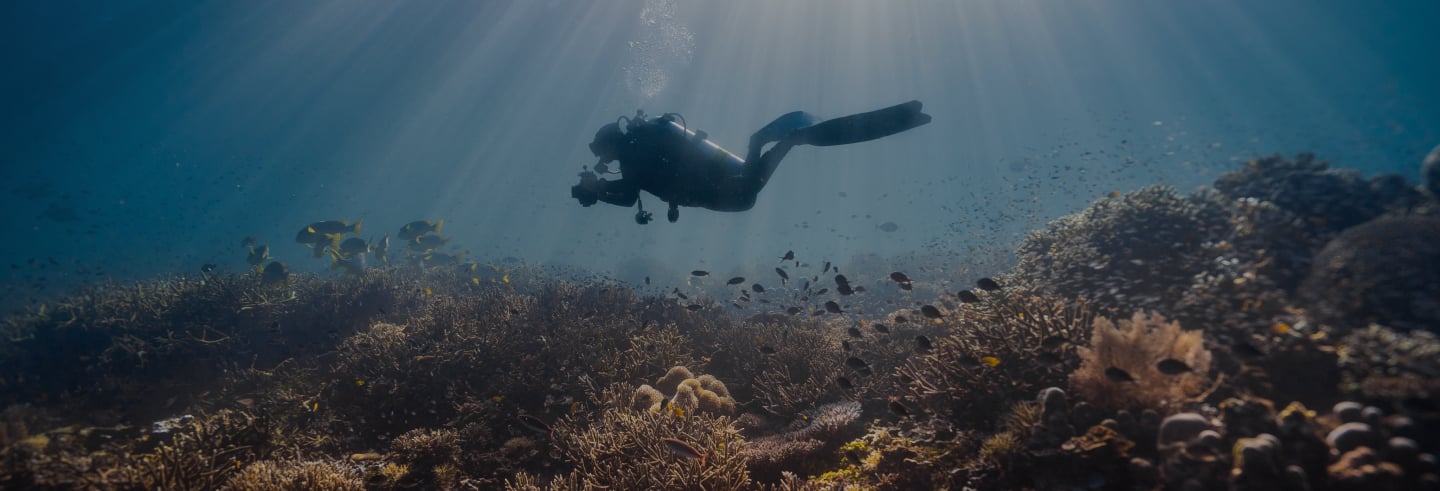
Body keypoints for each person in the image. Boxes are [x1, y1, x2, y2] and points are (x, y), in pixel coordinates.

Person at [571, 100, 931, 223]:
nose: (602, 160)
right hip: (736, 181)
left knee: (784, 143)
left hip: (733, 196)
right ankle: (805, 130)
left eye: (601, 151)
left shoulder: (634, 154)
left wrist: (596, 190)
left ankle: (798, 135)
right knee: (771, 141)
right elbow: (630, 191)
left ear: (612, 143)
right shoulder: (642, 146)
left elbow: (626, 194)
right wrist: (600, 189)